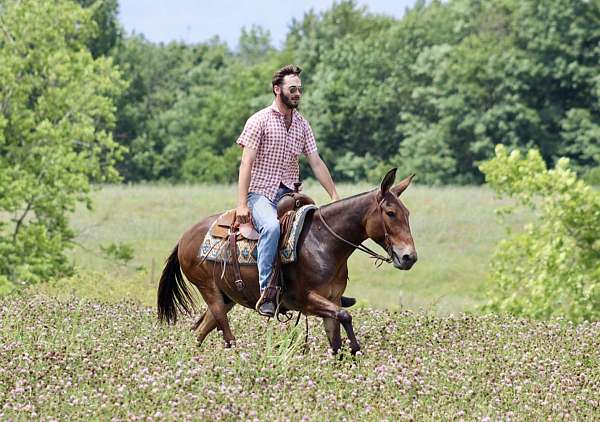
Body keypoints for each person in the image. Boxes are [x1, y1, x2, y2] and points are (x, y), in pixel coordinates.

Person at [236, 64, 339, 317]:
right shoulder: (259, 121)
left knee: (321, 227)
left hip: (290, 194)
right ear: (277, 90)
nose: (297, 94)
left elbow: (316, 161)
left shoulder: (302, 125)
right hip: (261, 193)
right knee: (271, 228)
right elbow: (246, 163)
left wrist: (334, 197)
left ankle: (325, 286)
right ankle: (267, 292)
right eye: (292, 89)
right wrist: (242, 204)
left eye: (300, 90)